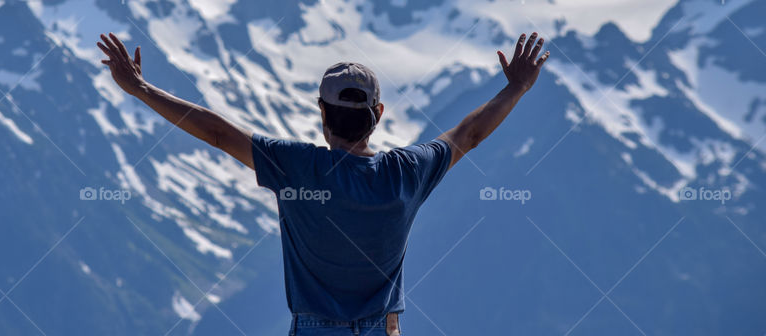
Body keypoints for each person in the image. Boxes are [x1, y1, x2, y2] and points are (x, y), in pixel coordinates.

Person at [97, 32, 550, 335]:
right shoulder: (407, 172)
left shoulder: (295, 167)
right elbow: (468, 135)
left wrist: (140, 88)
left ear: (321, 112)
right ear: (378, 115)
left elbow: (216, 132)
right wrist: (517, 88)